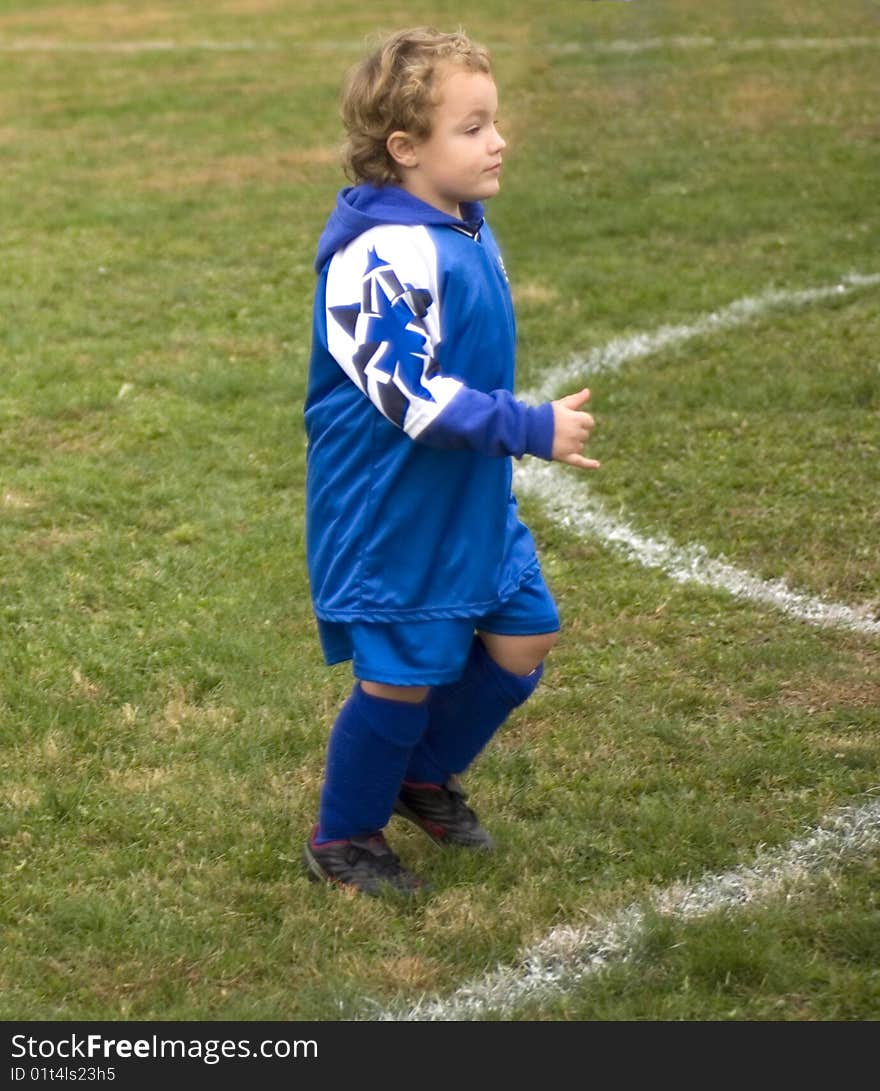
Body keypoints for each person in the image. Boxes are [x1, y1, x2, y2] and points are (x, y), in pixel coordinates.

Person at [302, 26, 599, 896]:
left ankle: (416, 774)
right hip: (392, 514)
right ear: (405, 149)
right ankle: (344, 838)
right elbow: (410, 395)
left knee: (524, 635)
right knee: (400, 679)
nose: (497, 140)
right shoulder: (379, 256)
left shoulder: (462, 222)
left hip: (467, 496)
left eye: (494, 121)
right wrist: (527, 425)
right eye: (471, 128)